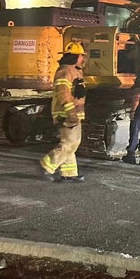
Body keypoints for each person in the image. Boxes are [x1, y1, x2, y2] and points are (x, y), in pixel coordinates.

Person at [39, 42, 87, 183]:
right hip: (67, 113)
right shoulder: (65, 72)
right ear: (76, 57)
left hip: (73, 113)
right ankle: (47, 165)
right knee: (69, 143)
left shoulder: (74, 71)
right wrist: (70, 112)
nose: (83, 59)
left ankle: (69, 174)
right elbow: (63, 94)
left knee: (72, 143)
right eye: (81, 56)